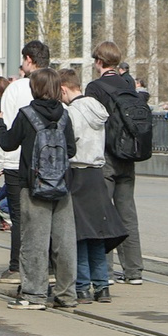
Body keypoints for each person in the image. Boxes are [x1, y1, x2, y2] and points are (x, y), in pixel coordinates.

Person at [0, 66, 76, 309]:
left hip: (33, 186)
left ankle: (34, 294)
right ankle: (67, 295)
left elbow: (8, 143)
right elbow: (71, 150)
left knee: (34, 241)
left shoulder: (27, 114)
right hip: (62, 186)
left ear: (35, 88)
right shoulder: (65, 115)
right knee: (64, 243)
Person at [82, 40, 146, 287]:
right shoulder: (128, 85)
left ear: (99, 61)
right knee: (127, 212)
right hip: (128, 156)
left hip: (105, 156)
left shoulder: (95, 87)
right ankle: (134, 270)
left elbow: (90, 122)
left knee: (102, 214)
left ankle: (104, 271)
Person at [61, 70, 124, 303]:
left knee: (79, 235)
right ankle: (102, 286)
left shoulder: (71, 112)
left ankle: (82, 287)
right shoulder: (98, 109)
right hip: (97, 173)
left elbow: (69, 144)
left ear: (63, 89)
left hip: (77, 172)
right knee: (97, 234)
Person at [0, 41, 44, 285]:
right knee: (45, 214)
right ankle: (47, 265)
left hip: (16, 160)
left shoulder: (15, 89)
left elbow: (7, 123)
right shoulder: (55, 83)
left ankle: (16, 266)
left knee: (19, 216)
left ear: (29, 60)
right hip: (47, 161)